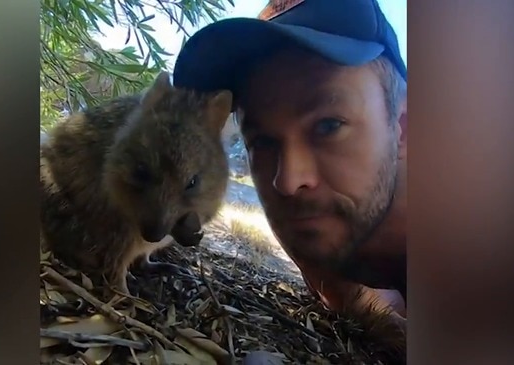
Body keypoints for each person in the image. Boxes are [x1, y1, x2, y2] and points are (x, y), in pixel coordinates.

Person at [173, 0, 407, 362]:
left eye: (328, 126)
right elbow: (347, 298)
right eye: (263, 142)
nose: (287, 180)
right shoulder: (338, 218)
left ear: (405, 128)